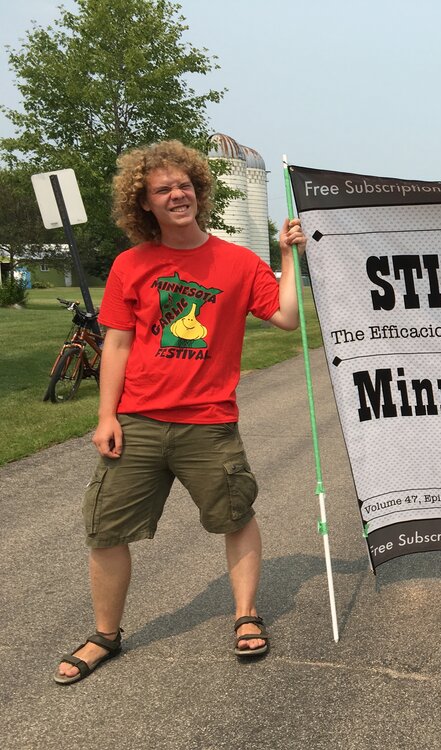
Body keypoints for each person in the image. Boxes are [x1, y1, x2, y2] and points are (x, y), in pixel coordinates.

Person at [54, 140, 306, 684]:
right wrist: (106, 415)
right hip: (139, 420)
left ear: (199, 190)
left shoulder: (237, 261)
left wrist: (287, 256)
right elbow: (116, 345)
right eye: (163, 189)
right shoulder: (130, 265)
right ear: (143, 202)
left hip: (208, 422)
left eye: (184, 184)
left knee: (234, 516)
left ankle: (245, 615)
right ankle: (104, 636)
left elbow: (286, 317)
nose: (177, 194)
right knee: (105, 529)